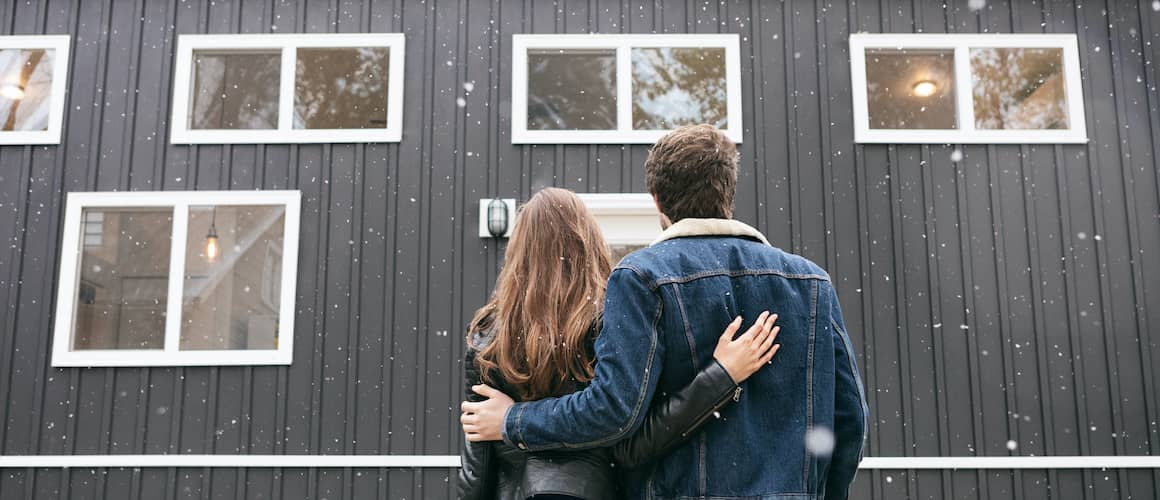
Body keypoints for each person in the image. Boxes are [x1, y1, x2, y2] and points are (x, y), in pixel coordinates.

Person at [462, 125, 869, 500]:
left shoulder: (642, 278)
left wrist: (515, 421)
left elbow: (614, 415)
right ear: (728, 191)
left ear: (656, 200)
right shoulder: (812, 283)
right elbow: (851, 418)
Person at [458, 187, 781, 499]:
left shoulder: (487, 336)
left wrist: (512, 420)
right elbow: (634, 445)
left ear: (517, 254)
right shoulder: (612, 322)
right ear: (590, 244)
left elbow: (478, 466)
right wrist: (719, 377)